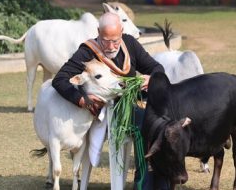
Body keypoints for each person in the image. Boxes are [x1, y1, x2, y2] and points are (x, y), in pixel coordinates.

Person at [52, 12, 169, 189]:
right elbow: (59, 79)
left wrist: (150, 78)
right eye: (106, 40)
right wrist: (83, 100)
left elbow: (156, 68)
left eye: (115, 40)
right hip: (109, 112)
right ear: (98, 32)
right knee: (144, 124)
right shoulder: (87, 51)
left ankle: (162, 180)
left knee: (162, 121)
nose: (111, 46)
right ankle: (143, 184)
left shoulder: (129, 43)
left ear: (121, 32)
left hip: (132, 104)